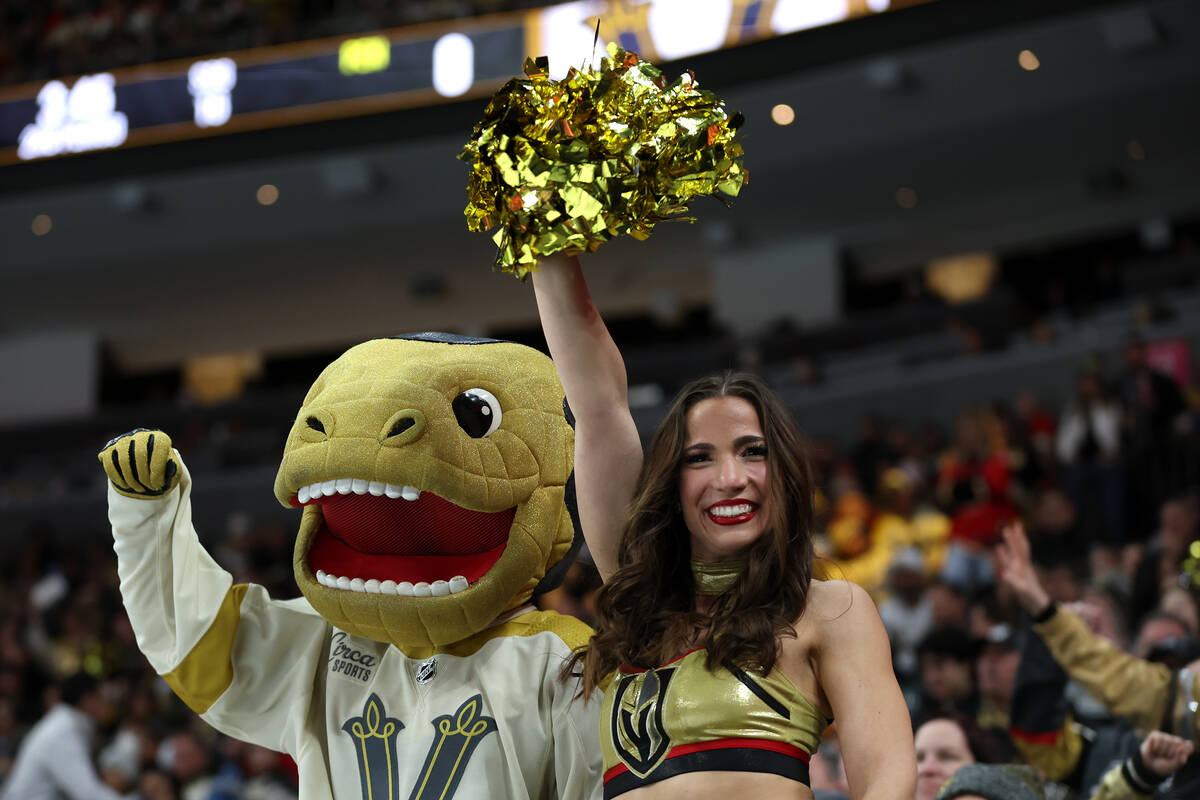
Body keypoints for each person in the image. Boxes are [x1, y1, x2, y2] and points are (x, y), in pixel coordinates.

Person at [533, 253, 915, 799]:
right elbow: (596, 404)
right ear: (671, 483)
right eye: (699, 458)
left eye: (752, 452)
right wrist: (543, 236)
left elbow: (888, 782)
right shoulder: (641, 602)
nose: (730, 477)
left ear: (782, 473)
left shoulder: (830, 610)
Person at [1, 672, 125, 800]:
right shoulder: (61, 732)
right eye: (102, 697)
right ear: (88, 699)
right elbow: (88, 793)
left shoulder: (66, 723)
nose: (107, 704)